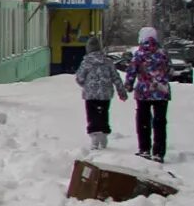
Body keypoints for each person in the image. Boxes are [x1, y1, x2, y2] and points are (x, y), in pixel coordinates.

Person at [121, 25, 172, 162]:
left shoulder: (139, 54)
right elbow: (170, 70)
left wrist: (129, 85)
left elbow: (131, 71)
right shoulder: (163, 53)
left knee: (143, 120)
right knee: (160, 122)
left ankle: (144, 149)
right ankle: (158, 152)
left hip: (144, 93)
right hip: (161, 92)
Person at [74, 34, 127, 150]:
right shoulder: (108, 62)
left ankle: (94, 136)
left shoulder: (86, 62)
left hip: (91, 95)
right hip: (105, 94)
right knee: (103, 114)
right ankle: (103, 134)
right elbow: (116, 77)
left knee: (92, 115)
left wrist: (86, 86)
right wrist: (121, 92)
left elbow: (79, 78)